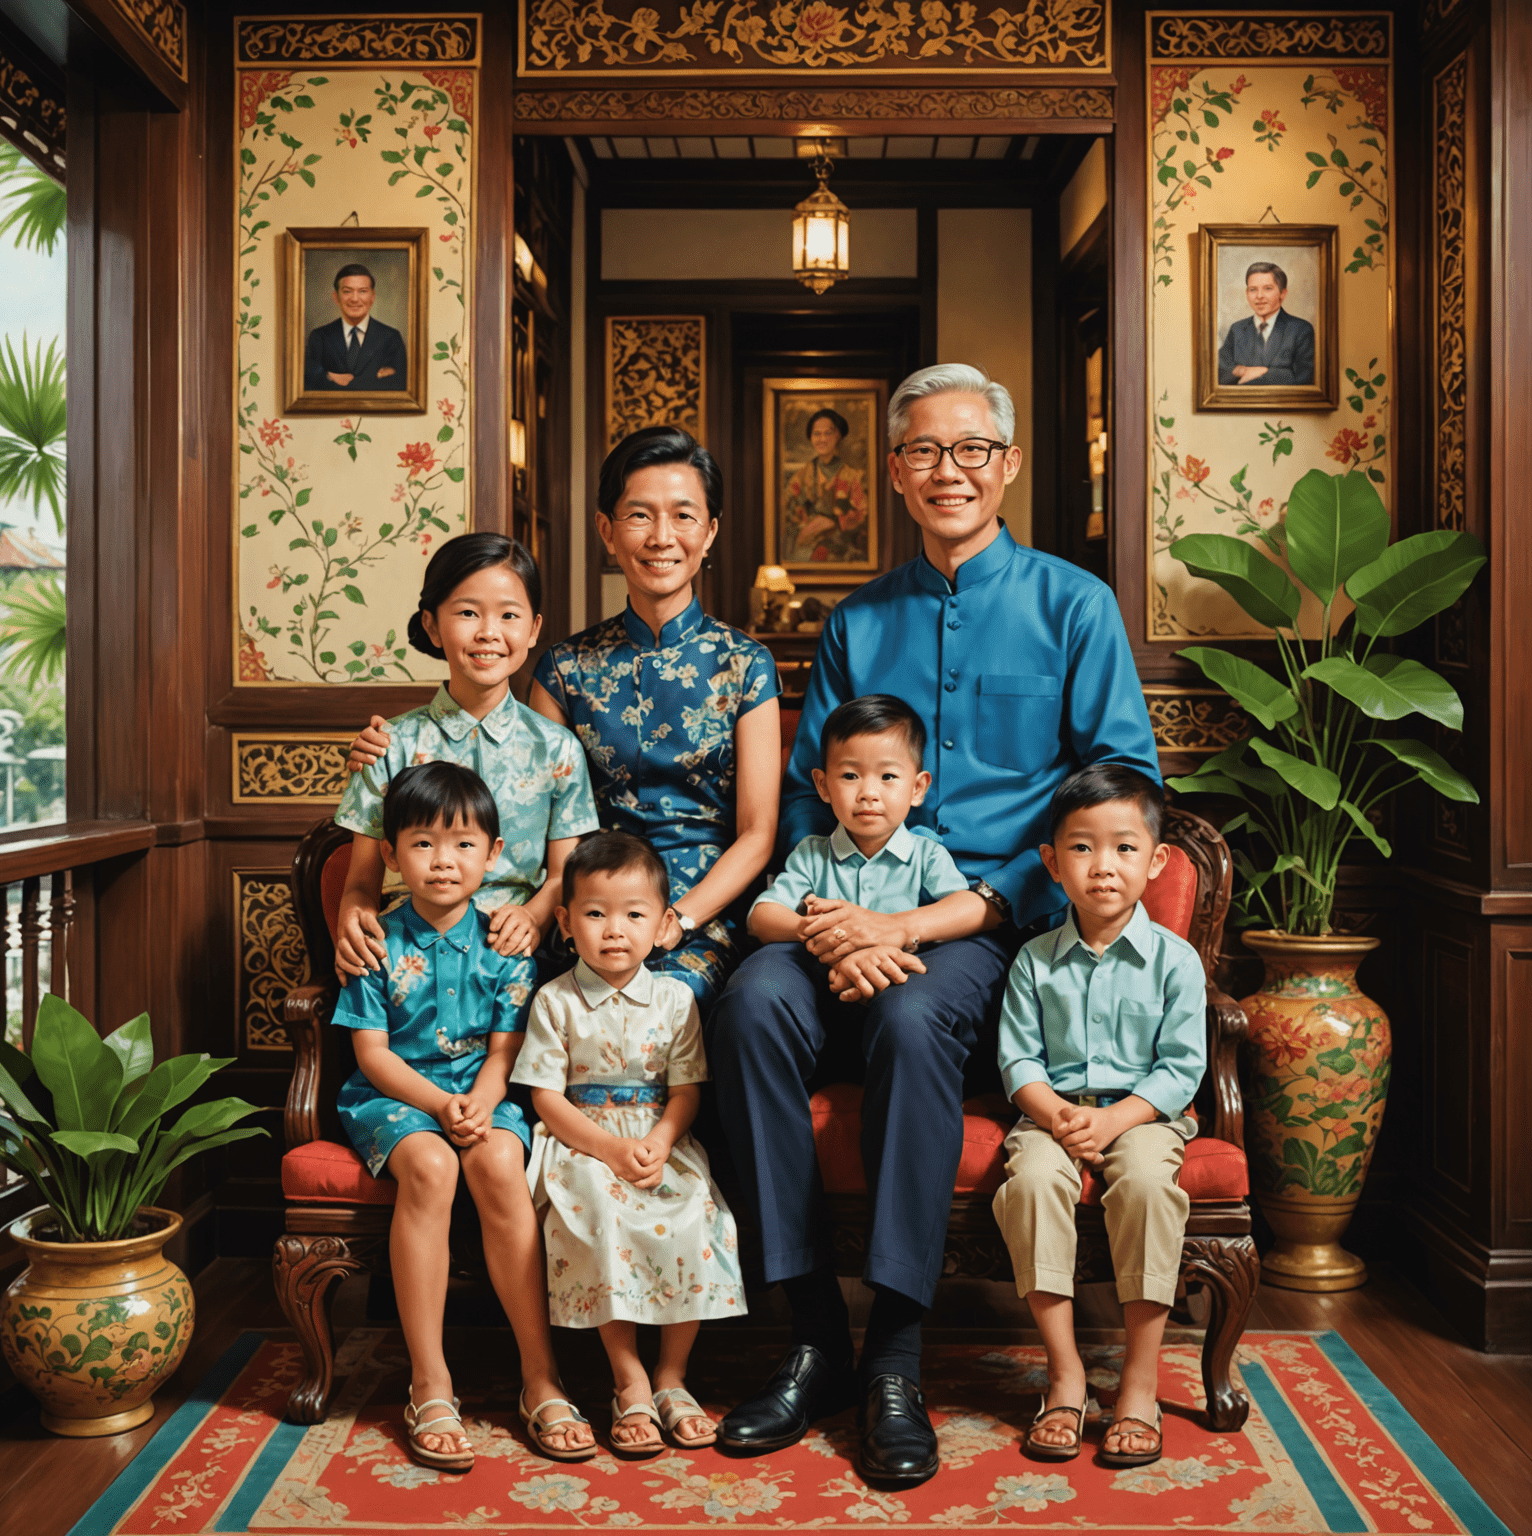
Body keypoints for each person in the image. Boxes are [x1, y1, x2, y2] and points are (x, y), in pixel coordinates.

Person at [710, 363, 1160, 1487]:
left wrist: (946, 911)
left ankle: (896, 1354)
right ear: (896, 473)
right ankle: (810, 1332)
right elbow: (816, 796)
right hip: (844, 911)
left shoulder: (1075, 603)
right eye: (922, 452)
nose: (947, 471)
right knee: (748, 1002)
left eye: (970, 451)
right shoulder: (860, 617)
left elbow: (1121, 781)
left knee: (914, 1019)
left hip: (988, 923)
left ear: (1005, 465)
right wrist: (837, 922)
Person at [349, 428, 780, 1006]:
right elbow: (506, 789)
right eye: (638, 515)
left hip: (700, 909)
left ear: (709, 533)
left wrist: (678, 918)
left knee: (667, 995)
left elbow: (757, 834)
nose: (661, 537)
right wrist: (384, 755)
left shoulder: (746, 664)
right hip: (583, 909)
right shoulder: (564, 667)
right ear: (606, 531)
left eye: (683, 516)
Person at [332, 761, 596, 1471]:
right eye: (422, 844)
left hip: (485, 1090)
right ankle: (430, 1382)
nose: (443, 861)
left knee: (502, 1161)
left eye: (462, 845)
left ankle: (540, 1376)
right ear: (390, 856)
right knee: (429, 1162)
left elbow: (508, 1046)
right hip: (396, 1097)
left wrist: (479, 1100)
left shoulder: (508, 942)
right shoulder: (374, 941)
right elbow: (373, 1055)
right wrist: (439, 1105)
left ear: (494, 853)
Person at [992, 764, 1206, 1469]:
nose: (1103, 867)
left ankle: (1139, 1386)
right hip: (1053, 1118)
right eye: (1082, 848)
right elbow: (1018, 1062)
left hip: (1144, 1117)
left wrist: (1116, 1122)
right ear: (1052, 864)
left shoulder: (1175, 962)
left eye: (1123, 848)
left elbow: (1181, 1067)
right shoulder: (1032, 962)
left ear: (1155, 862)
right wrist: (1056, 1115)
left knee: (1146, 1185)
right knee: (1029, 1186)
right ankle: (1066, 1376)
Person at [512, 830, 744, 1458]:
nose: (614, 930)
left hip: (658, 1138)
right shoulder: (555, 1000)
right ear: (564, 922)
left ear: (665, 924)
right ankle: (628, 1378)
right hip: (580, 1142)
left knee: (693, 1209)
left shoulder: (674, 998)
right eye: (594, 913)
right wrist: (608, 1151)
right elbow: (545, 1098)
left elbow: (687, 1089)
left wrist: (663, 1139)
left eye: (634, 915)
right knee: (598, 1210)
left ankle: (672, 1376)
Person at [333, 535, 599, 1059]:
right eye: (468, 613)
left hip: (514, 963)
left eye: (508, 616)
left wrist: (536, 915)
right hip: (411, 967)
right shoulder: (391, 745)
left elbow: (566, 873)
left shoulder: (557, 748)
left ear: (534, 629)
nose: (488, 634)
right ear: (432, 624)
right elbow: (360, 882)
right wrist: (352, 915)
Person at [746, 694, 982, 1000]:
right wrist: (824, 933)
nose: (868, 793)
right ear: (823, 786)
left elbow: (960, 909)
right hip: (827, 983)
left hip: (899, 980)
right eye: (850, 775)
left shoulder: (927, 854)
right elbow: (762, 917)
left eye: (887, 776)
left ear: (917, 788)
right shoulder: (811, 854)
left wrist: (900, 935)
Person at [303, 262, 408, 391]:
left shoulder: (391, 338)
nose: (354, 299)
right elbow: (308, 383)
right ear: (336, 297)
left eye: (363, 291)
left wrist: (331, 380)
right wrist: (329, 376)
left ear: (372, 296)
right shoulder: (319, 337)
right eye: (347, 291)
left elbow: (399, 385)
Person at [783, 406, 869, 564]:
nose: (822, 439)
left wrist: (835, 523)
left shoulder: (851, 477)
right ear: (810, 437)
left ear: (838, 436)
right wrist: (805, 527)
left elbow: (862, 514)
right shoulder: (801, 477)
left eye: (827, 433)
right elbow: (786, 511)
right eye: (817, 434)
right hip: (806, 544)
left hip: (841, 548)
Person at [1216, 260, 1316, 385]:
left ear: (1283, 293)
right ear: (1247, 293)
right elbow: (1219, 371)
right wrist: (1243, 370)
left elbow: (1303, 377)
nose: (1259, 296)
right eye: (1253, 289)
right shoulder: (1237, 329)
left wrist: (1263, 372)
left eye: (1267, 289)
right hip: (1242, 403)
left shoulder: (1301, 329)